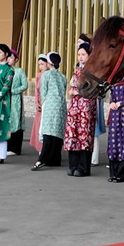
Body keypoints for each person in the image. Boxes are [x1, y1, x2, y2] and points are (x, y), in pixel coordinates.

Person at [64, 42, 97, 177]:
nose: (80, 57)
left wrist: (77, 92)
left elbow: (92, 90)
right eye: (79, 54)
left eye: (83, 54)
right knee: (73, 134)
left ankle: (83, 167)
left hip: (86, 106)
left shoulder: (93, 71)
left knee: (84, 135)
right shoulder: (77, 69)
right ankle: (73, 165)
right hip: (74, 107)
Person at [31, 52, 67, 170]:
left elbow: (43, 91)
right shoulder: (62, 76)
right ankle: (55, 158)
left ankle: (42, 159)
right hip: (61, 105)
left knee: (47, 132)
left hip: (50, 104)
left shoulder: (45, 75)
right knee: (57, 132)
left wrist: (43, 102)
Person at [6, 49, 28, 156]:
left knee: (16, 122)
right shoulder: (4, 70)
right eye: (7, 57)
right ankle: (5, 146)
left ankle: (15, 148)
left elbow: (25, 85)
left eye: (11, 57)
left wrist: (14, 91)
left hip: (15, 100)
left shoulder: (19, 71)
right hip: (5, 99)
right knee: (6, 122)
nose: (9, 60)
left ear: (16, 59)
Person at [29, 54, 48, 153]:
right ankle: (40, 148)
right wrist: (37, 102)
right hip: (40, 104)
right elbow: (37, 90)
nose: (41, 67)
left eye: (42, 64)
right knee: (38, 127)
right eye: (39, 64)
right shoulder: (38, 75)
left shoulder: (49, 75)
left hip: (48, 104)